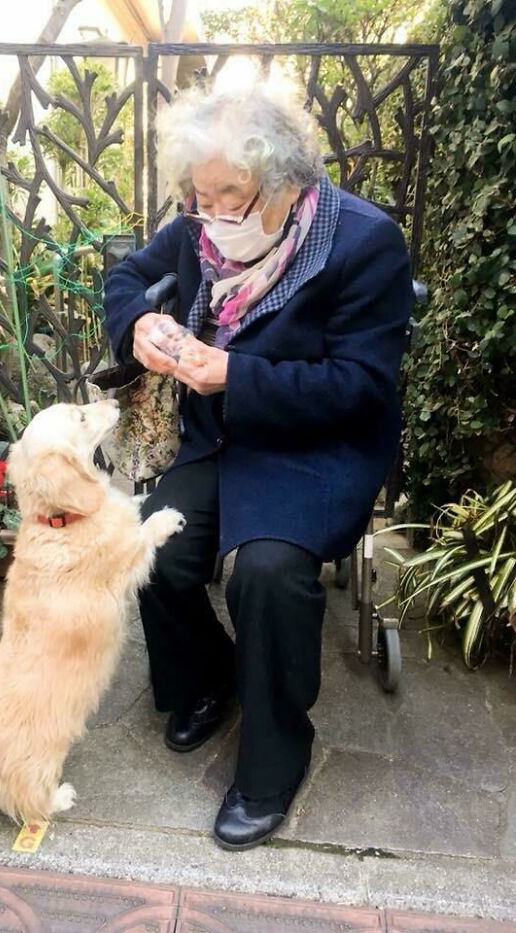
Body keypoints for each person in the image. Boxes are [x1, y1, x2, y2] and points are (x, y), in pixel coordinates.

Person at [103, 78, 413, 851]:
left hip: (317, 447)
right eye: (198, 194)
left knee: (269, 570)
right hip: (222, 438)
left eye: (229, 194)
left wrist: (235, 375)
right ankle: (210, 676)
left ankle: (274, 761)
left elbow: (361, 385)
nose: (209, 214)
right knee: (155, 543)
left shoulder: (363, 241)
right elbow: (124, 278)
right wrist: (139, 321)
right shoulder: (198, 230)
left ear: (284, 182)